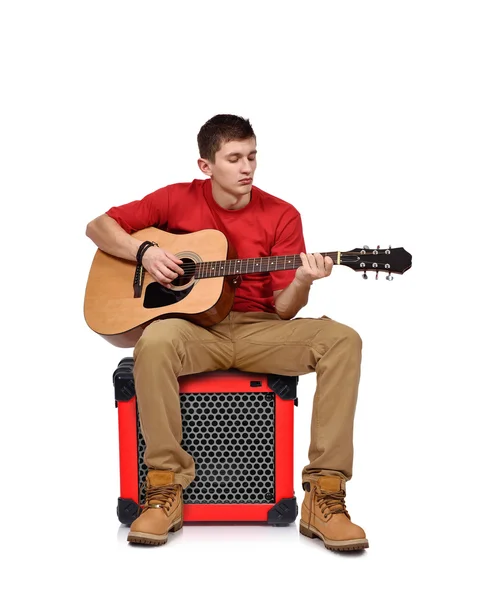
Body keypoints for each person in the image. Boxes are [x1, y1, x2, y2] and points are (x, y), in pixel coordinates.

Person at [86, 114, 368, 551]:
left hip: (260, 329)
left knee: (343, 339)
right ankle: (164, 491)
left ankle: (324, 496)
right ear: (206, 165)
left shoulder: (282, 214)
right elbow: (98, 226)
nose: (247, 168)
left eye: (252, 156)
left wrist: (302, 280)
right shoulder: (175, 199)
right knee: (154, 340)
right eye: (234, 158)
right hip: (194, 329)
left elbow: (284, 309)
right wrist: (144, 252)